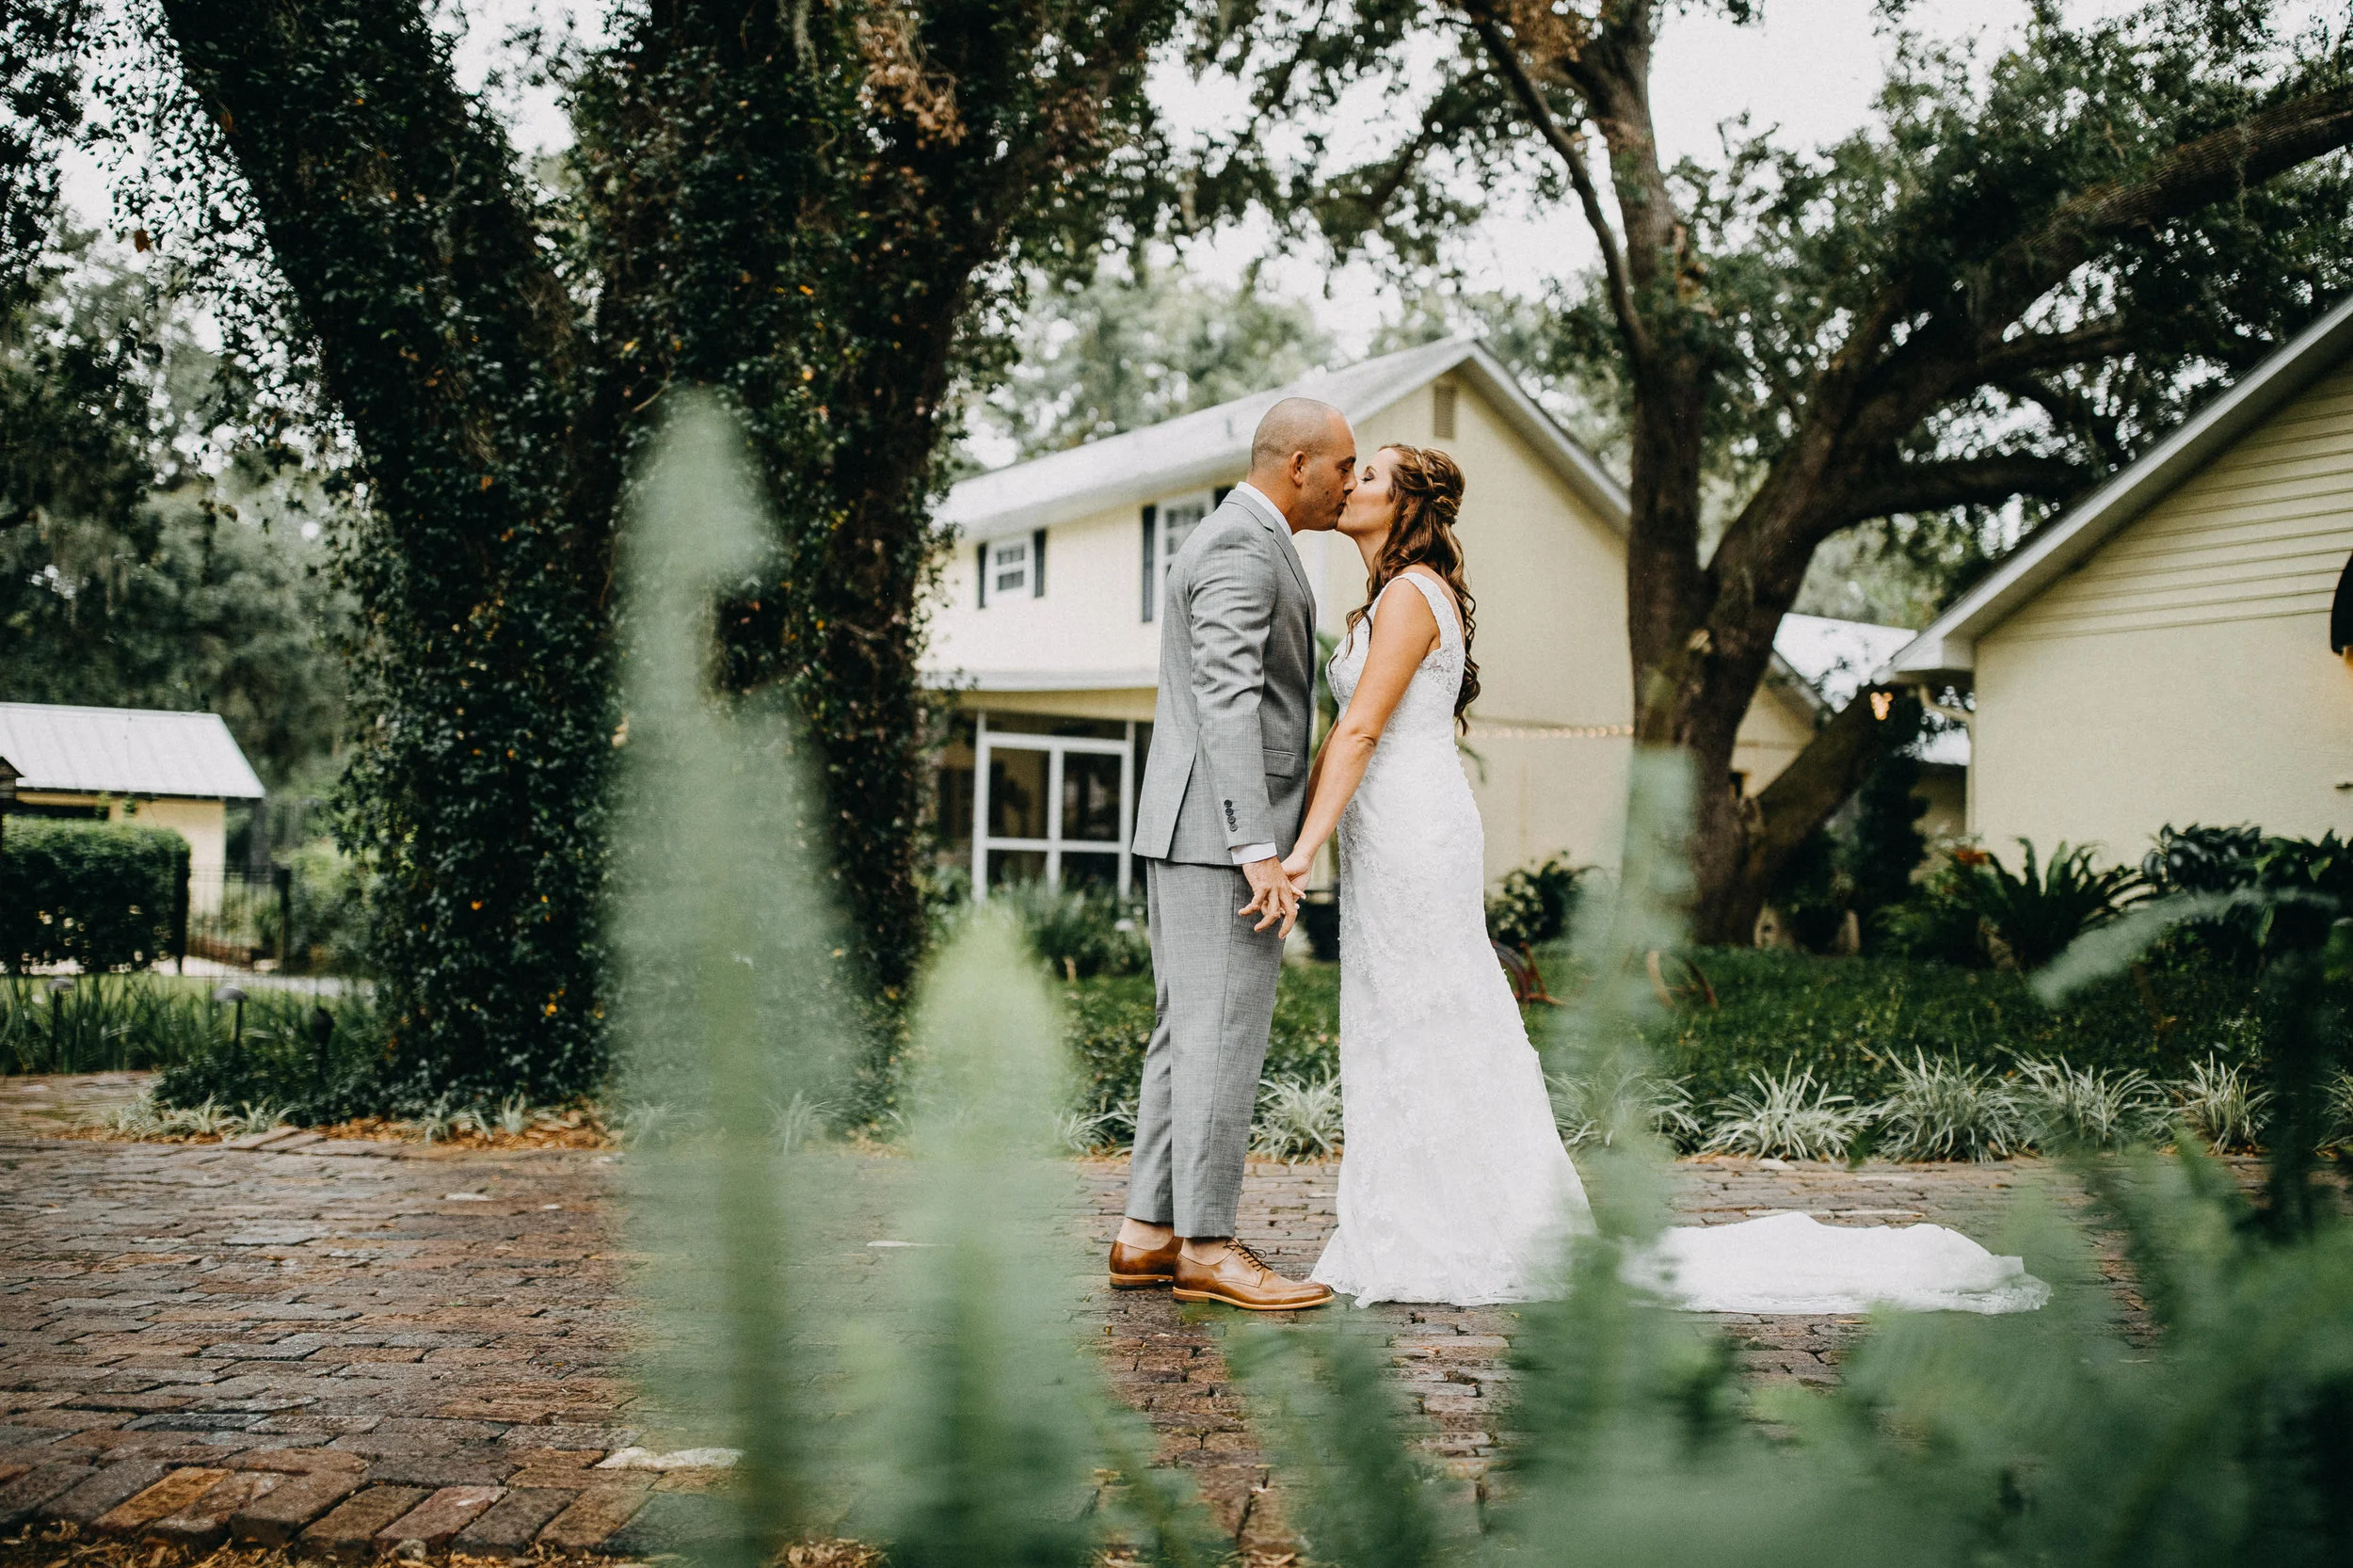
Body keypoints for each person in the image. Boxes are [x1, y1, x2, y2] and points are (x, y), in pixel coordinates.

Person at [1279, 443, 2047, 1316]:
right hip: (1387, 830)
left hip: (1414, 829)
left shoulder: (1412, 594)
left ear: (1407, 505)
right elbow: (1346, 735)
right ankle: (1413, 1220)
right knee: (1397, 1014)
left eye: (1368, 476)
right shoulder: (1390, 595)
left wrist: (1300, 852)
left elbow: (1359, 731)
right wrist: (1311, 838)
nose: (1349, 484)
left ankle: (1454, 1228)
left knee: (1432, 1012)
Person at [1108, 396, 1355, 1312]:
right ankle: (1208, 1247)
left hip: (1192, 830)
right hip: (1220, 842)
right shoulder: (1245, 547)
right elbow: (1227, 699)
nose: (1349, 482)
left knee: (1186, 1033)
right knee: (1219, 1036)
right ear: (1297, 464)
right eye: (1343, 466)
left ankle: (1147, 1234)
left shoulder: (1236, 537)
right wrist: (1257, 846)